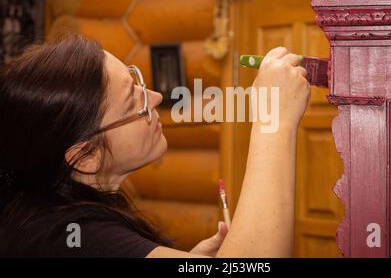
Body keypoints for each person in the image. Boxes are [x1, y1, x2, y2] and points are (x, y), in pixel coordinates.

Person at [0, 35, 310, 257]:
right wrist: (274, 121)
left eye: (136, 81)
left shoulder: (49, 214)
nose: (157, 99)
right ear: (86, 156)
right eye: (135, 102)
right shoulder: (65, 237)